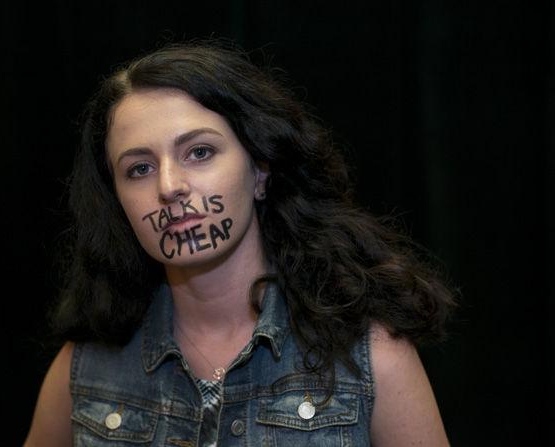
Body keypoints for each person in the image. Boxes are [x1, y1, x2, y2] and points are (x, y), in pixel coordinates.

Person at [24, 38, 456, 446]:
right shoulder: (84, 367)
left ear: (261, 170)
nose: (170, 186)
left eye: (199, 152)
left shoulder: (369, 355)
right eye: (139, 169)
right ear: (117, 200)